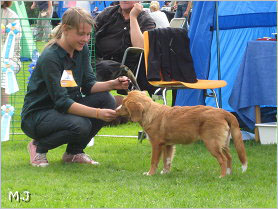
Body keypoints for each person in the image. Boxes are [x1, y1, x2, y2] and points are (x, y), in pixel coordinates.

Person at [21, 7, 130, 167]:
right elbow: (62, 102)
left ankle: (74, 153)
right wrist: (98, 113)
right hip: (38, 116)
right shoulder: (50, 57)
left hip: (62, 111)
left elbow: (88, 85)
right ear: (65, 28)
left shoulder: (82, 50)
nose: (85, 39)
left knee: (107, 99)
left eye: (88, 34)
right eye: (81, 34)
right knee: (81, 124)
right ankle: (38, 147)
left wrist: (112, 84)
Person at [94, 1, 159, 95]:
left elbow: (140, 48)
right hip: (98, 59)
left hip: (127, 67)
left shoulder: (145, 19)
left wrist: (133, 17)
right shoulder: (108, 13)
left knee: (101, 67)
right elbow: (90, 29)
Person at [1, 1, 22, 106]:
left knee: (4, 71)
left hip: (8, 58)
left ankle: (3, 115)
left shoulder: (12, 16)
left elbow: (14, 45)